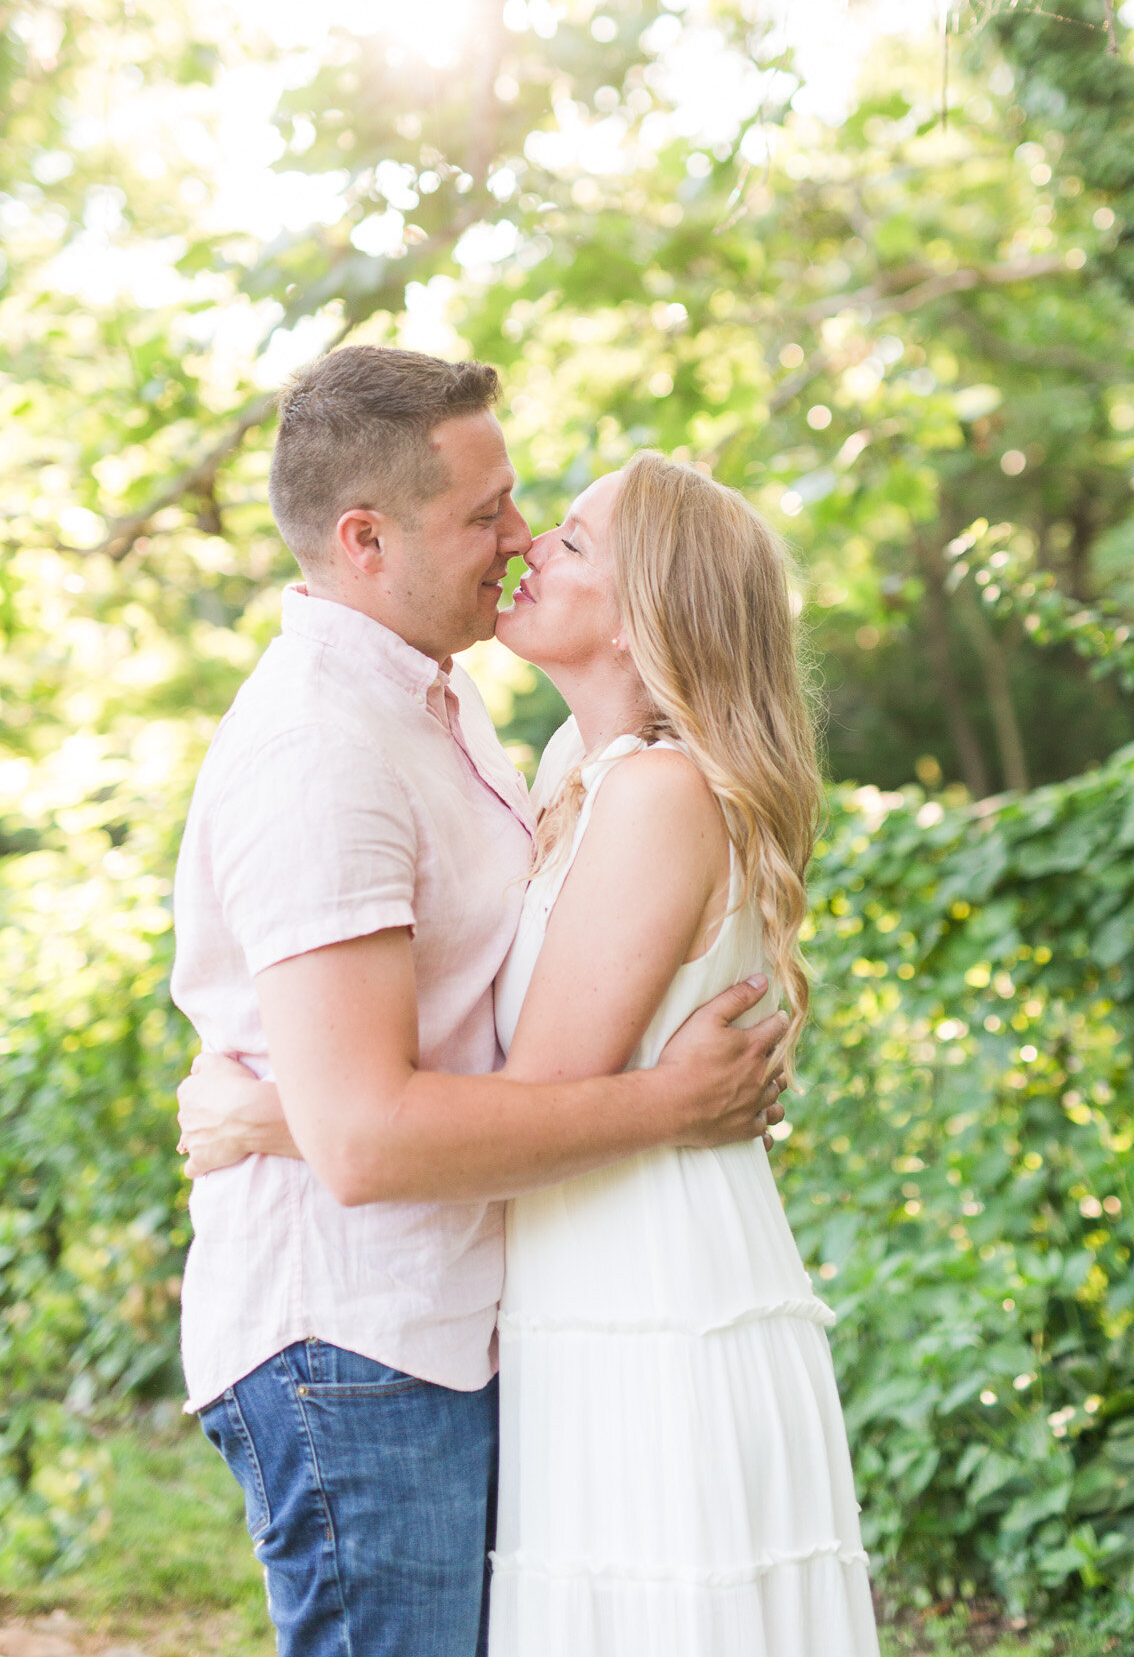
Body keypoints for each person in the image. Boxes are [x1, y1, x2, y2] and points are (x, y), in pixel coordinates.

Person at [185, 438, 880, 1657]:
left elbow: (545, 1088)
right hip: (570, 1257)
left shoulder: (660, 790)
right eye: (519, 520)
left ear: (642, 614)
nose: (524, 546)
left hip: (649, 1271)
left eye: (568, 538)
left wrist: (275, 1115)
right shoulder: (567, 766)